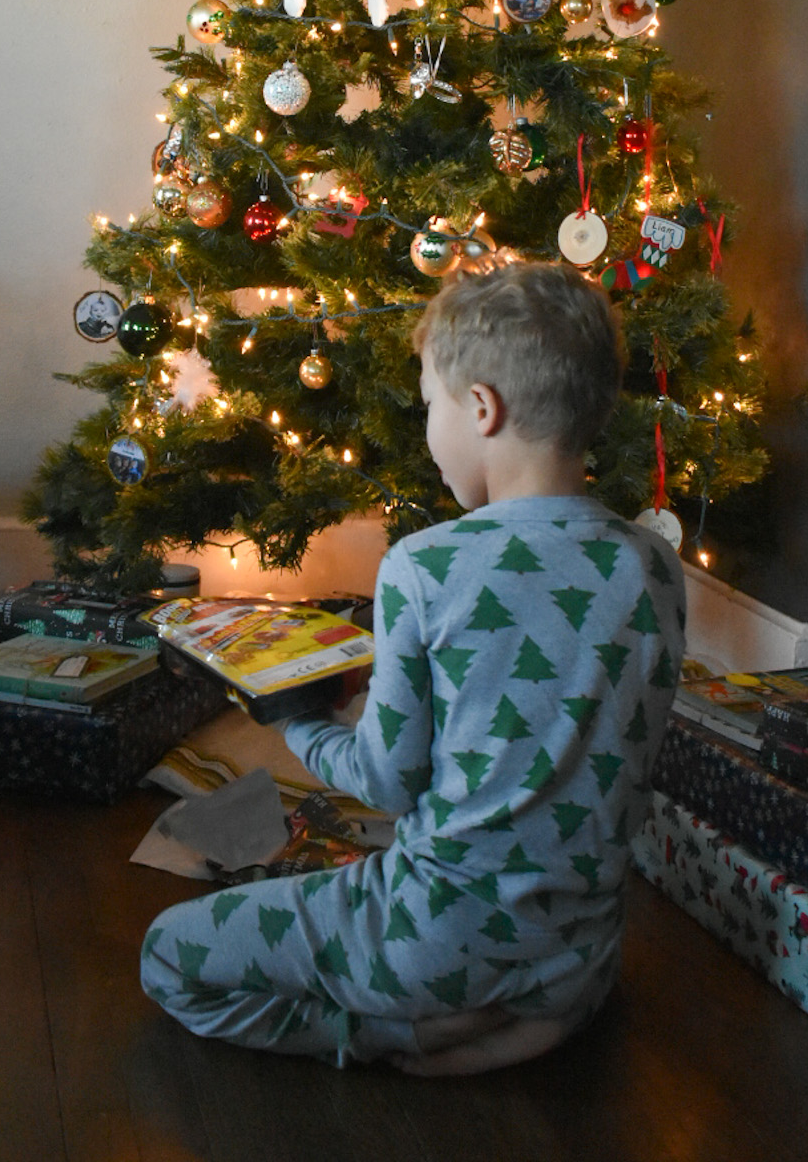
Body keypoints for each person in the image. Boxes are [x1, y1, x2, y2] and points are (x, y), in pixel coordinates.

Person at [140, 261, 686, 1075]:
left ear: (481, 408)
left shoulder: (426, 566)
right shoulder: (655, 564)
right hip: (581, 944)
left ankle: (407, 1036)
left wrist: (291, 719)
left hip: (435, 938)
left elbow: (384, 783)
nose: (428, 427)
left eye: (430, 403)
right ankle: (543, 1014)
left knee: (167, 954)